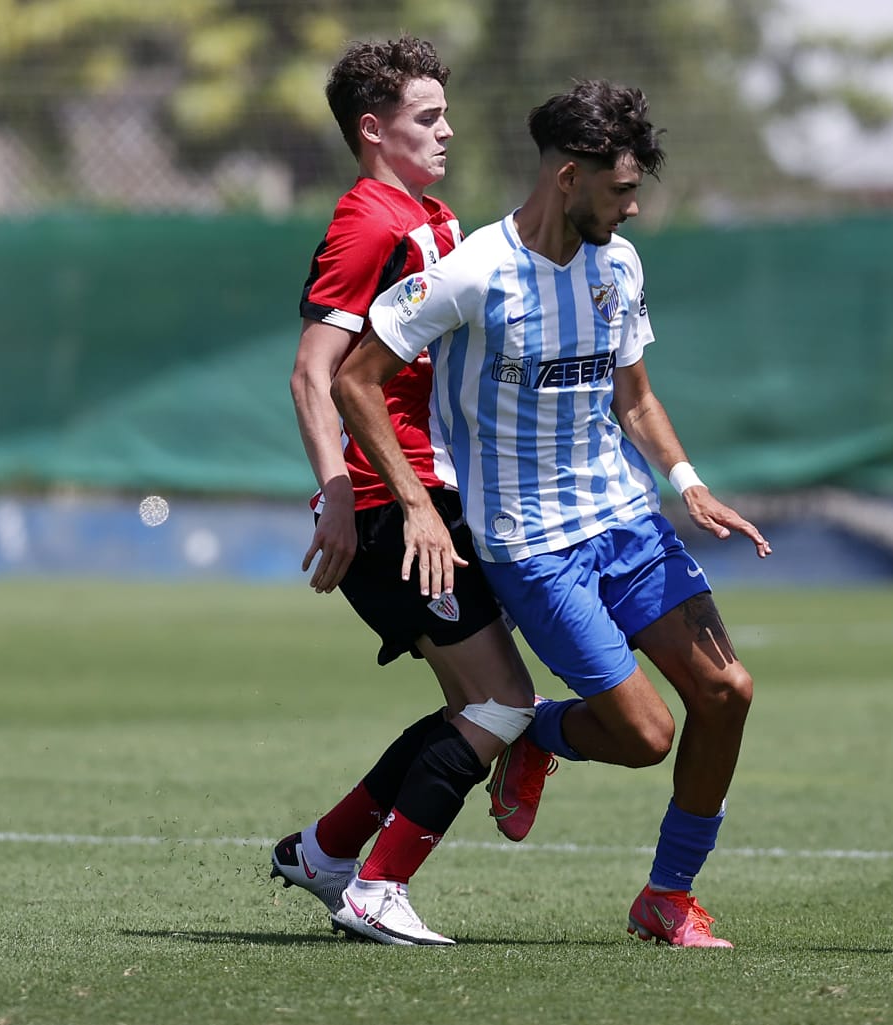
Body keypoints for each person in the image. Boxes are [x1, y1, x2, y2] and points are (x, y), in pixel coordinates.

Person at [332, 79, 770, 949]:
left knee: (727, 691)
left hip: (626, 522)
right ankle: (537, 732)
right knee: (645, 736)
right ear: (567, 178)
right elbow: (353, 379)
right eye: (620, 189)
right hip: (531, 548)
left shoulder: (618, 266)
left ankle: (666, 897)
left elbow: (634, 398)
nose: (634, 206)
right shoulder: (471, 274)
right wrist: (417, 505)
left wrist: (686, 480)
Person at [268, 35, 537, 947]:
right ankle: (376, 886)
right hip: (393, 504)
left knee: (485, 704)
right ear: (374, 131)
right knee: (501, 703)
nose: (447, 131)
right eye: (428, 118)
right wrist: (338, 494)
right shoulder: (367, 222)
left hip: (438, 491)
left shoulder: (434, 217)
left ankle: (328, 849)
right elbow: (314, 374)